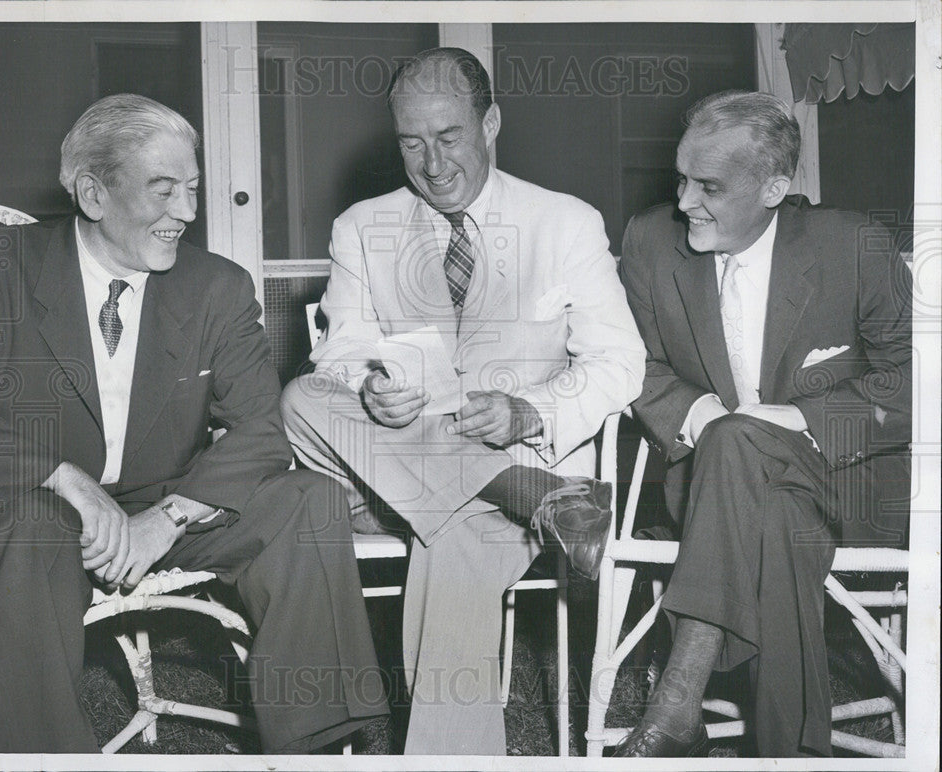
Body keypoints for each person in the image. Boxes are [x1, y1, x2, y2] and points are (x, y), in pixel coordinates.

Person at [0, 93, 388, 754]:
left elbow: (260, 431)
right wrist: (66, 480)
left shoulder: (215, 286)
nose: (187, 214)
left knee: (310, 501)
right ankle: (35, 756)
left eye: (192, 190)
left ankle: (322, 744)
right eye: (164, 192)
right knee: (30, 524)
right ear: (93, 193)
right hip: (38, 506)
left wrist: (165, 520)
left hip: (164, 504)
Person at [280, 48, 645, 754]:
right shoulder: (362, 226)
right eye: (411, 143)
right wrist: (373, 388)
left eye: (448, 138)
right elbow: (340, 353)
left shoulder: (563, 222)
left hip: (505, 458)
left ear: (491, 123)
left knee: (455, 539)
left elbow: (620, 362)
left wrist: (529, 411)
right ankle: (530, 493)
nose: (432, 162)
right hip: (391, 472)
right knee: (302, 394)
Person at [615, 90, 912, 757]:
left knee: (746, 449)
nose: (686, 201)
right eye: (681, 179)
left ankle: (677, 701)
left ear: (776, 187)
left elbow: (918, 383)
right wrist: (710, 419)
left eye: (709, 187)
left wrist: (801, 418)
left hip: (848, 481)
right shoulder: (651, 241)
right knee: (761, 494)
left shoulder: (852, 243)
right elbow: (636, 364)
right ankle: (792, 755)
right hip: (714, 494)